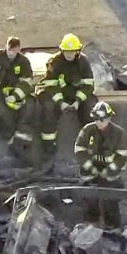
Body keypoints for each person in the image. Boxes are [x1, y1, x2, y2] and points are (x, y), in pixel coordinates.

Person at [36, 34, 98, 164]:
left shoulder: (83, 62)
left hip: (75, 93)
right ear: (62, 50)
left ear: (78, 51)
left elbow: (88, 85)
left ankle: (91, 144)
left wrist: (78, 101)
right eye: (67, 51)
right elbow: (51, 85)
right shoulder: (54, 62)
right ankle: (48, 148)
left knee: (91, 107)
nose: (69, 54)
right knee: (48, 107)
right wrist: (61, 103)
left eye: (72, 51)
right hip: (56, 92)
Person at [74, 102, 127, 187]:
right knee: (85, 197)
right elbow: (79, 150)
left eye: (102, 119)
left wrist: (108, 170)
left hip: (111, 176)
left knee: (110, 197)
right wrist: (90, 168)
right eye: (96, 119)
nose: (99, 122)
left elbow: (122, 156)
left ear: (109, 118)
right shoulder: (87, 130)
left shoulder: (118, 133)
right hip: (89, 174)